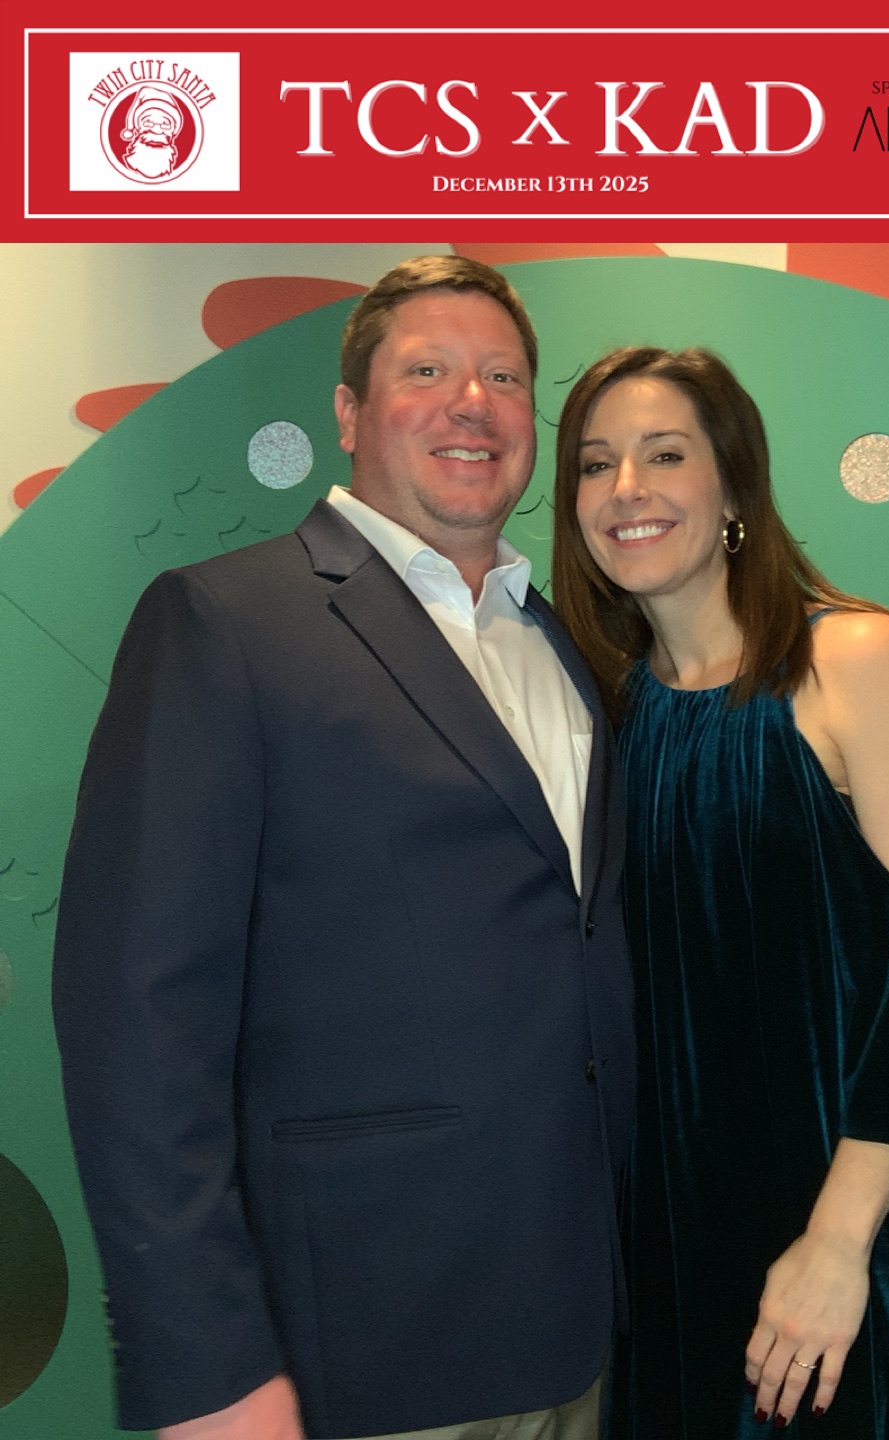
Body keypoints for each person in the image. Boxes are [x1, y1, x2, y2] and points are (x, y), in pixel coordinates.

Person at [52, 257, 635, 1440]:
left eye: (503, 378)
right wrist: (203, 1366)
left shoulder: (565, 642)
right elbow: (136, 1017)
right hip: (358, 1350)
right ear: (350, 412)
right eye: (427, 371)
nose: (471, 403)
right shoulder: (223, 623)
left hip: (583, 1329)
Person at [550, 346, 889, 1439]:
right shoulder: (610, 707)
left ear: (736, 486)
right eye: (597, 464)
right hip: (667, 1224)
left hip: (841, 1220)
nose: (627, 489)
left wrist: (836, 1246)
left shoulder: (856, 658)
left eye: (666, 454)